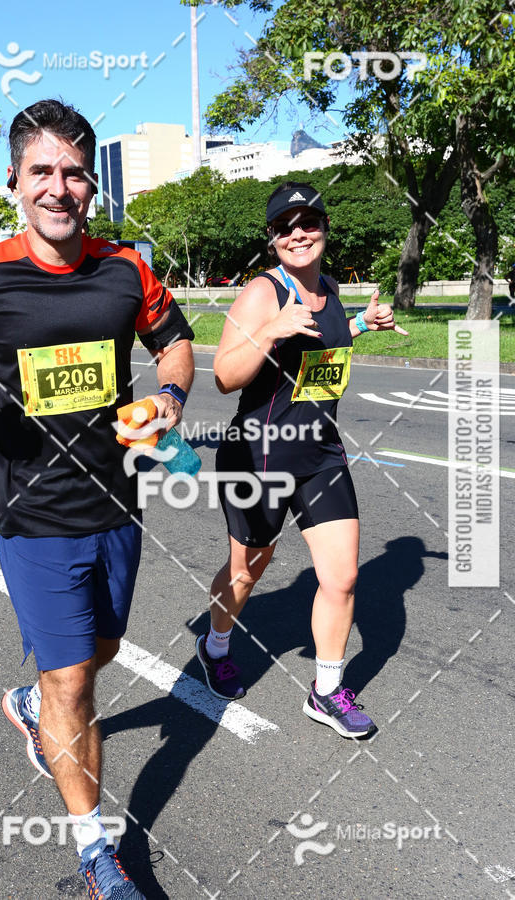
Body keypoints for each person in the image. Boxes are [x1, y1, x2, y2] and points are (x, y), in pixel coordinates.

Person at [0, 99, 195, 899]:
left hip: (118, 505)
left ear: (90, 186)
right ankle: (96, 851)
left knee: (99, 654)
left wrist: (170, 398)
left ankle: (30, 699)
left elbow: (175, 342)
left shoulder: (127, 269)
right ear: (14, 181)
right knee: (72, 682)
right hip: (32, 516)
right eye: (42, 170)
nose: (59, 187)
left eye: (74, 172)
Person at [195, 181, 407, 739]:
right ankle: (215, 645)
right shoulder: (263, 293)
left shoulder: (329, 287)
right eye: (285, 228)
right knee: (247, 570)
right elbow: (224, 376)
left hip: (321, 453)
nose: (298, 234)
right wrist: (271, 330)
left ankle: (326, 690)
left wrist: (360, 325)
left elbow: (321, 351)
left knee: (342, 576)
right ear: (272, 239)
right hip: (258, 456)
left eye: (308, 223)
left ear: (324, 228)